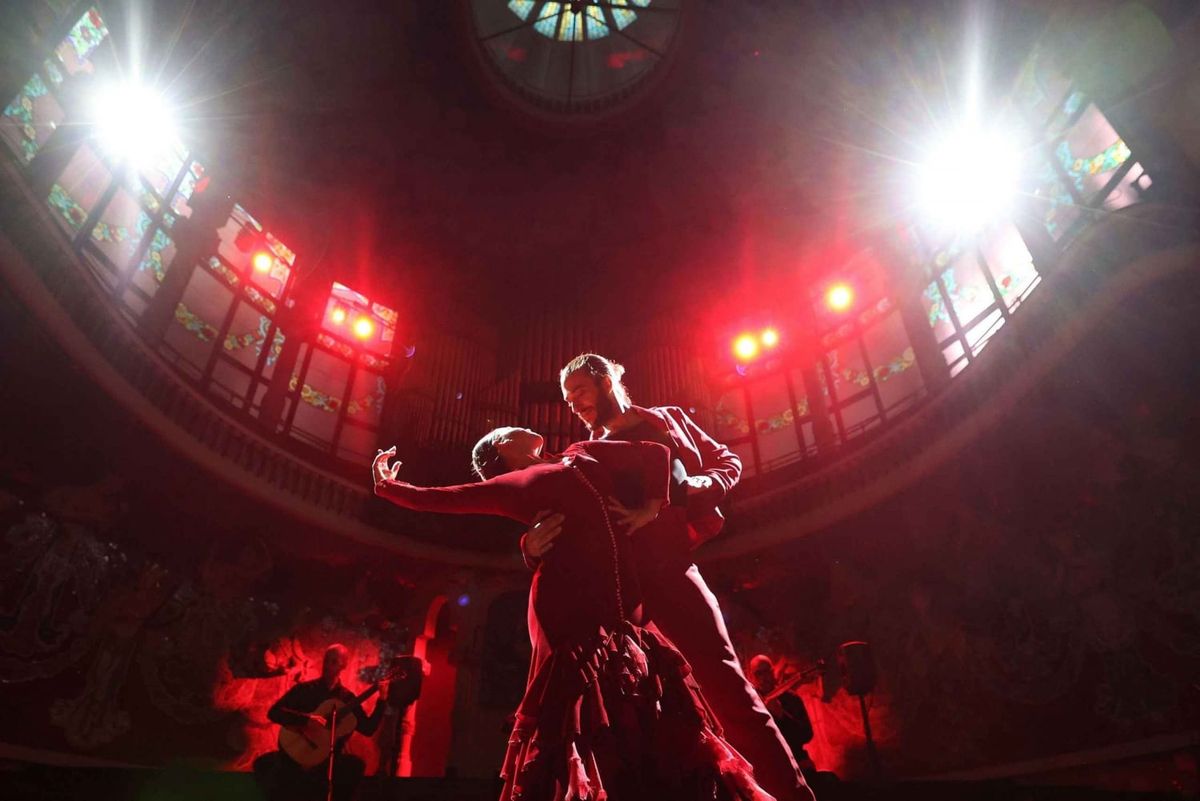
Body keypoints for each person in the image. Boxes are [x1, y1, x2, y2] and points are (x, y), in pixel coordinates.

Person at [373, 431, 774, 801]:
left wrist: (653, 504)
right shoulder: (515, 483)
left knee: (647, 714)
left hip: (623, 607)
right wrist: (388, 486)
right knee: (582, 708)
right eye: (506, 431)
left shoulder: (582, 452)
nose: (517, 427)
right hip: (566, 603)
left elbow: (655, 452)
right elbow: (446, 497)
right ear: (502, 450)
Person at [521, 353, 814, 801]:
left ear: (605, 381)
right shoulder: (582, 454)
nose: (572, 404)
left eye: (578, 390)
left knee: (729, 690)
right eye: (567, 397)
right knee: (647, 714)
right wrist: (529, 544)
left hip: (673, 573)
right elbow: (551, 507)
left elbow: (726, 461)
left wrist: (701, 485)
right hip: (618, 594)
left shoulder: (668, 420)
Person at [254, 644, 387, 801]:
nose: (327, 665)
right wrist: (307, 719)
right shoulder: (305, 690)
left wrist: (382, 700)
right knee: (273, 769)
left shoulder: (347, 699)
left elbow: (368, 728)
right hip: (297, 755)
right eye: (326, 660)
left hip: (326, 761)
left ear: (343, 665)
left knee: (354, 767)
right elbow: (274, 713)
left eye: (334, 661)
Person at [747, 655, 816, 774]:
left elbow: (807, 734)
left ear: (772, 672)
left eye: (766, 672)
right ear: (751, 677)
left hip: (796, 761)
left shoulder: (791, 698)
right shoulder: (752, 704)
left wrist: (782, 715)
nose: (763, 678)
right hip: (769, 767)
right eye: (758, 674)